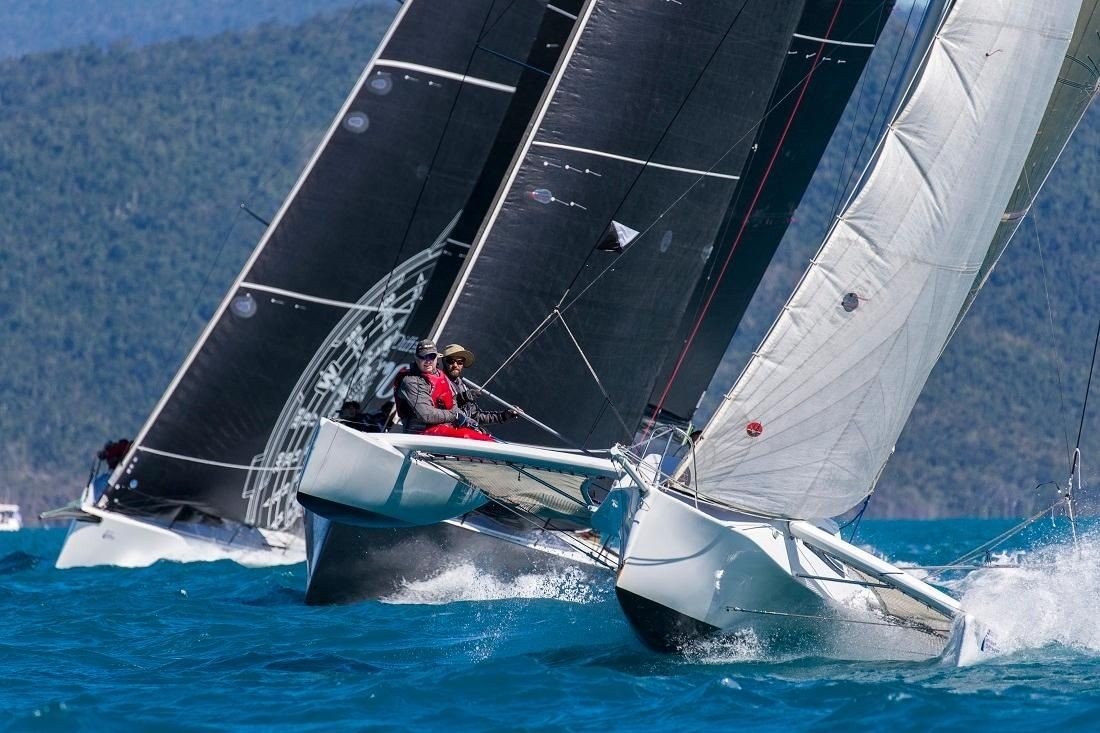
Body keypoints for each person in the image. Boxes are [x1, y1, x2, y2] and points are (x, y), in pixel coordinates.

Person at [394, 339, 491, 441]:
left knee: (483, 437)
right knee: (469, 438)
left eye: (431, 356)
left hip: (441, 431)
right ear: (416, 358)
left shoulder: (440, 376)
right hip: (419, 437)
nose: (428, 361)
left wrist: (469, 421)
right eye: (423, 357)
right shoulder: (410, 381)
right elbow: (427, 415)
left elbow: (452, 406)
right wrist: (455, 416)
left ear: (436, 357)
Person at [439, 343, 521, 427]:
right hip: (445, 434)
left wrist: (505, 415)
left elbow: (476, 416)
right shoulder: (437, 381)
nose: (455, 365)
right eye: (451, 361)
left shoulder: (463, 387)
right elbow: (440, 406)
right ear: (444, 361)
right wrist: (463, 397)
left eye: (460, 362)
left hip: (463, 434)